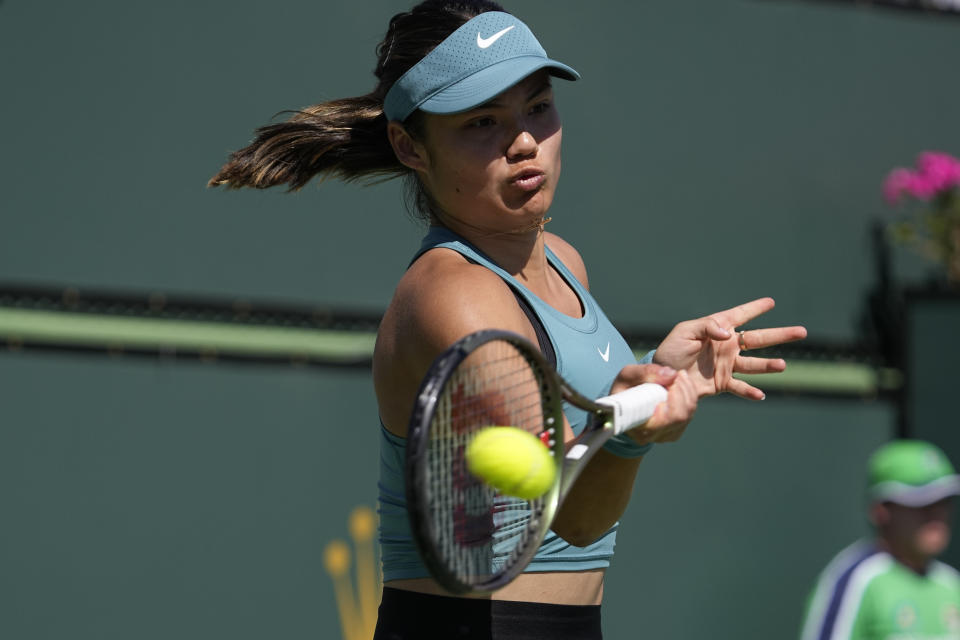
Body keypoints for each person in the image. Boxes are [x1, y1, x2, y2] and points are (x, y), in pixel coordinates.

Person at [210, 1, 806, 637]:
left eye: (537, 107)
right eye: (482, 122)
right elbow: (572, 516)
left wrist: (657, 375)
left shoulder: (562, 259)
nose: (524, 141)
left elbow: (584, 431)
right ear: (410, 146)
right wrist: (631, 430)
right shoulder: (454, 297)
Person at [799, 440, 960, 640]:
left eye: (943, 502)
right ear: (881, 511)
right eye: (921, 502)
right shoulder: (857, 579)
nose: (935, 515)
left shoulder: (951, 583)